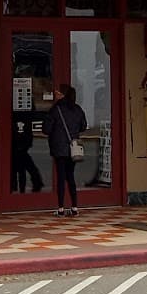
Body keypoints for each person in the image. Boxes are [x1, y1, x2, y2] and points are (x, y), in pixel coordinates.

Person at [45, 85, 89, 216]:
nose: (55, 94)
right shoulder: (77, 109)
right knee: (70, 176)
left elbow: (46, 129)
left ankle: (61, 208)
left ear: (62, 95)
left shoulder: (55, 109)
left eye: (57, 92)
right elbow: (83, 126)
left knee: (61, 177)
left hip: (59, 148)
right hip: (73, 147)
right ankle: (74, 207)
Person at [10, 116, 44, 193]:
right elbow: (28, 137)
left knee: (18, 169)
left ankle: (16, 187)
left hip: (17, 149)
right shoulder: (26, 121)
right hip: (21, 150)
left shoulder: (16, 121)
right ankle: (33, 185)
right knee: (24, 169)